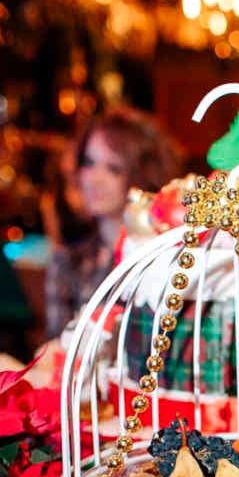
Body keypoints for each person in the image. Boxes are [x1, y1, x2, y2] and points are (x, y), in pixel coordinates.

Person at [44, 108, 182, 339]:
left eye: (113, 169)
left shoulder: (165, 260)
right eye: (89, 163)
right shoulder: (68, 260)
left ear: (143, 174)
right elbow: (57, 345)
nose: (94, 179)